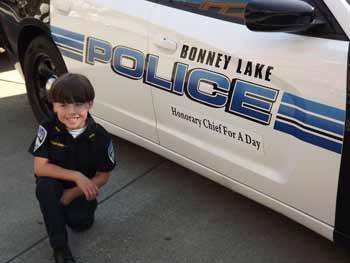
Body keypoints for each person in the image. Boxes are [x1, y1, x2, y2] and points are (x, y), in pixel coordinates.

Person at [28, 73, 116, 263]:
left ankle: (61, 210)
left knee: (80, 223)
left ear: (89, 104)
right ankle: (60, 249)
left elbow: (103, 176)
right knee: (46, 188)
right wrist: (76, 176)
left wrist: (71, 194)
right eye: (63, 105)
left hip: (79, 192)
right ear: (54, 105)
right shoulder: (48, 128)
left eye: (78, 104)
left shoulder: (100, 136)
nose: (71, 112)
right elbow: (40, 168)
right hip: (55, 184)